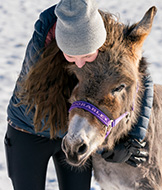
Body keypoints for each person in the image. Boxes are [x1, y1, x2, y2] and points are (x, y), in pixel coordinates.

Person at [4, 0, 153, 189]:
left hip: (74, 130)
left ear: (101, 42)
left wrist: (132, 139)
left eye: (88, 56)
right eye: (71, 56)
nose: (80, 63)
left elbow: (139, 77)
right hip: (29, 131)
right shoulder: (43, 41)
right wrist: (99, 136)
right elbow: (49, 102)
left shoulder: (111, 38)